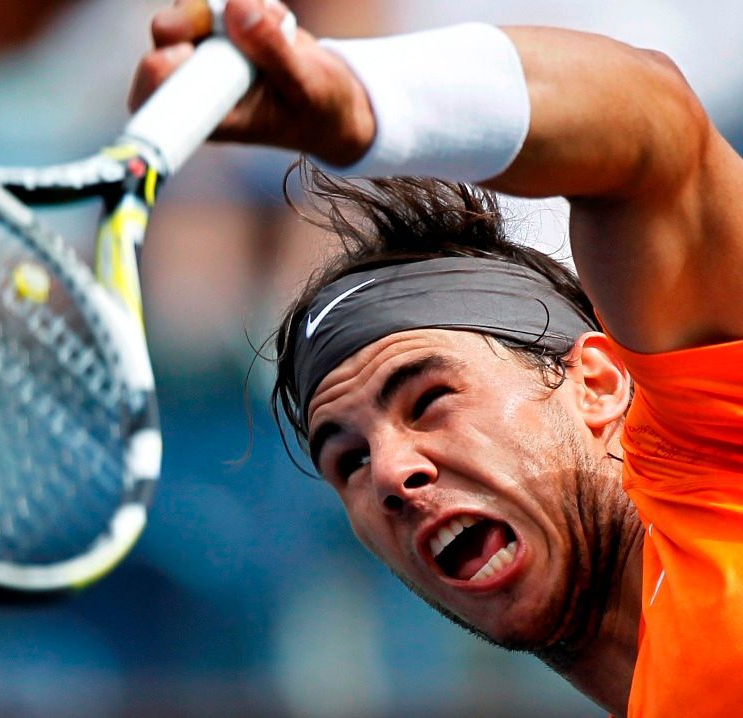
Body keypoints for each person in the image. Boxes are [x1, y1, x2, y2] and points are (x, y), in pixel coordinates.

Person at [131, 1, 743, 716]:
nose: (390, 474)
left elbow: (650, 124)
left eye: (429, 400)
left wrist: (363, 100)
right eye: (348, 462)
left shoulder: (720, 472)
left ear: (599, 385)